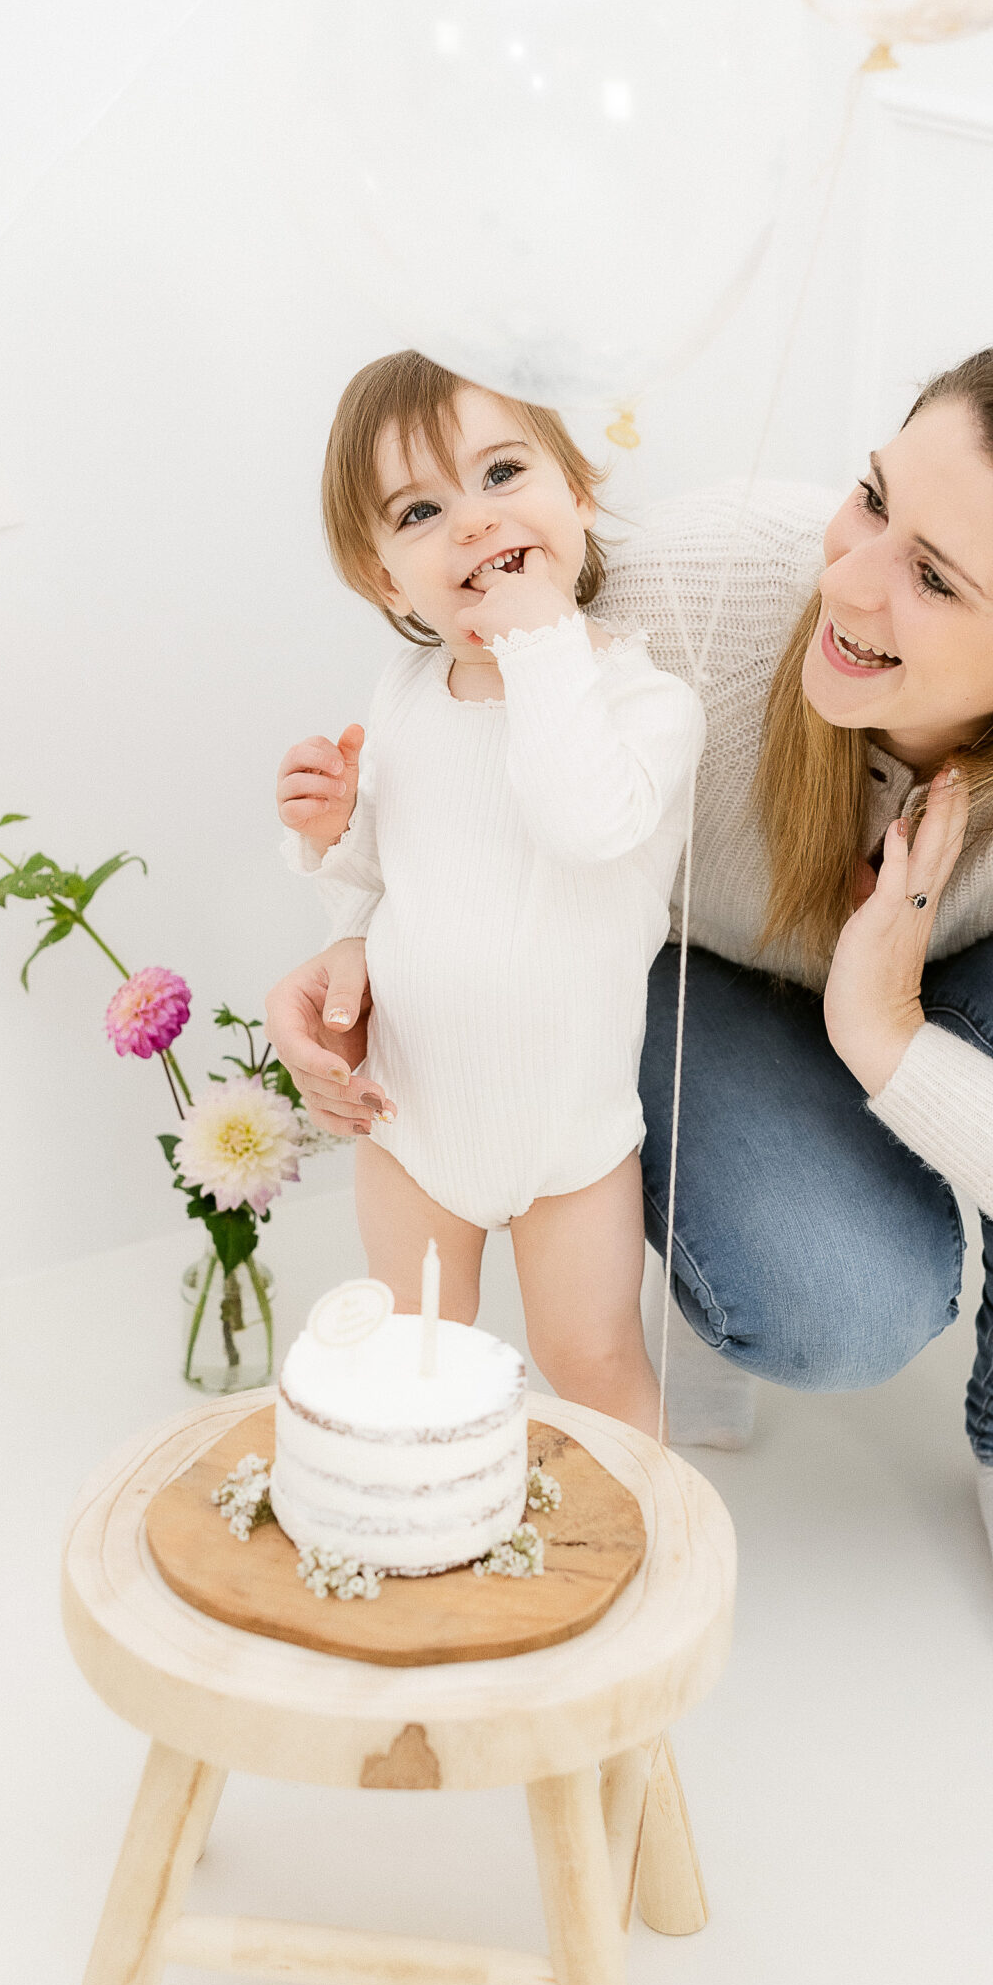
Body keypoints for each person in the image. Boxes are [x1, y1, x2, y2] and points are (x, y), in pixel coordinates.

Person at [268, 339, 993, 1675]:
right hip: (687, 986)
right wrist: (353, 944)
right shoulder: (696, 587)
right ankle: (719, 1240)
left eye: (931, 577)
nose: (849, 577)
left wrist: (883, 1035)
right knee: (826, 1311)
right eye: (872, 497)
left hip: (931, 1017)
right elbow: (458, 791)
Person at [274, 349, 704, 1435]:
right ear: (387, 581)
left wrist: (544, 647)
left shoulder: (647, 703)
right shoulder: (408, 693)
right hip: (417, 1118)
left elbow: (582, 818)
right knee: (418, 1360)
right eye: (421, 510)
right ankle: (430, 1536)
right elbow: (376, 890)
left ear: (579, 493)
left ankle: (638, 1551)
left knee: (591, 1357)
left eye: (503, 474)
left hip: (571, 1136)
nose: (472, 522)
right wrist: (330, 836)